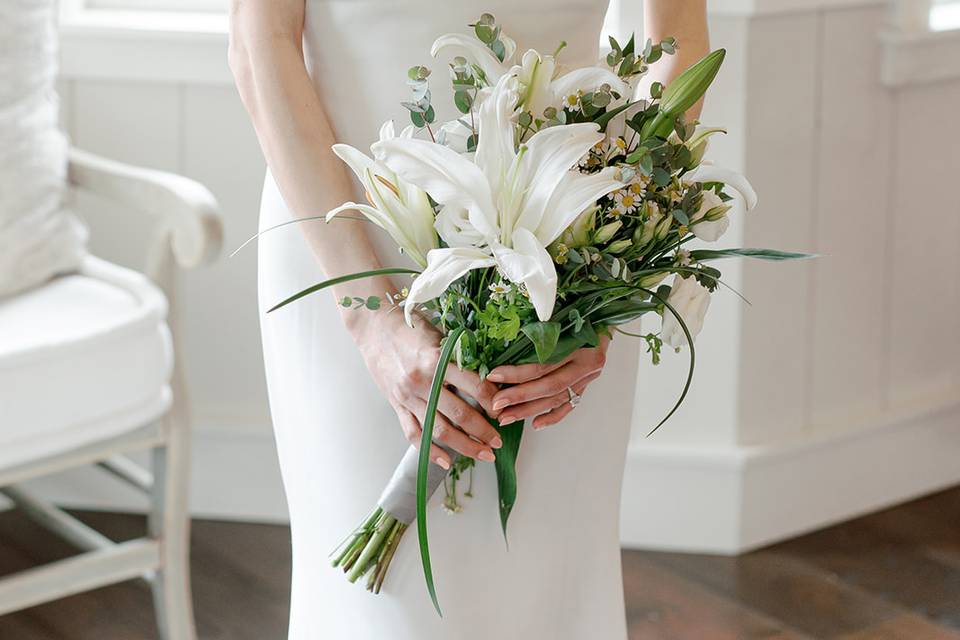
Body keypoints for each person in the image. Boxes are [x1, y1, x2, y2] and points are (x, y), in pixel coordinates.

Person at [229, 1, 708, 637]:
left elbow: (676, 32)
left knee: (552, 598)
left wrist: (609, 277)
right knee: (384, 613)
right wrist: (372, 320)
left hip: (570, 249)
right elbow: (259, 41)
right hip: (350, 246)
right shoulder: (362, 295)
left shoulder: (588, 266)